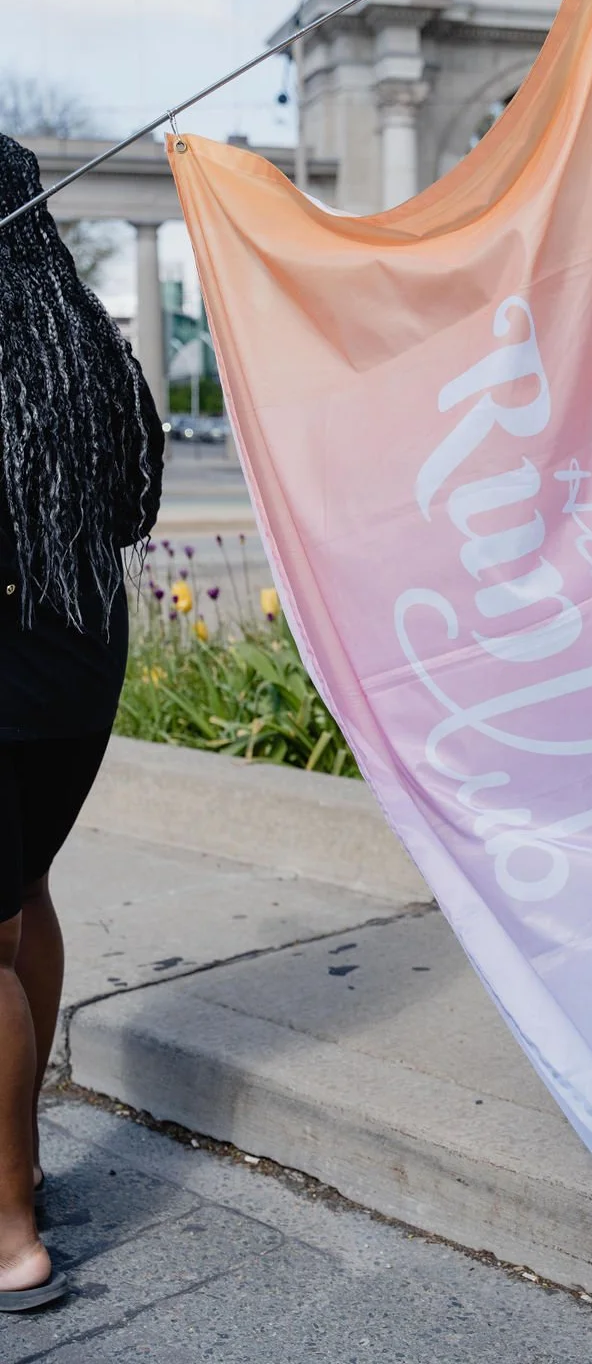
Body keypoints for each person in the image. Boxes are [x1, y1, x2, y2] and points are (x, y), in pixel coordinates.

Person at [0, 135, 163, 1310]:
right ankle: (20, 1163)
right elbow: (132, 503)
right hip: (77, 659)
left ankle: (8, 1231)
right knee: (22, 898)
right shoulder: (82, 343)